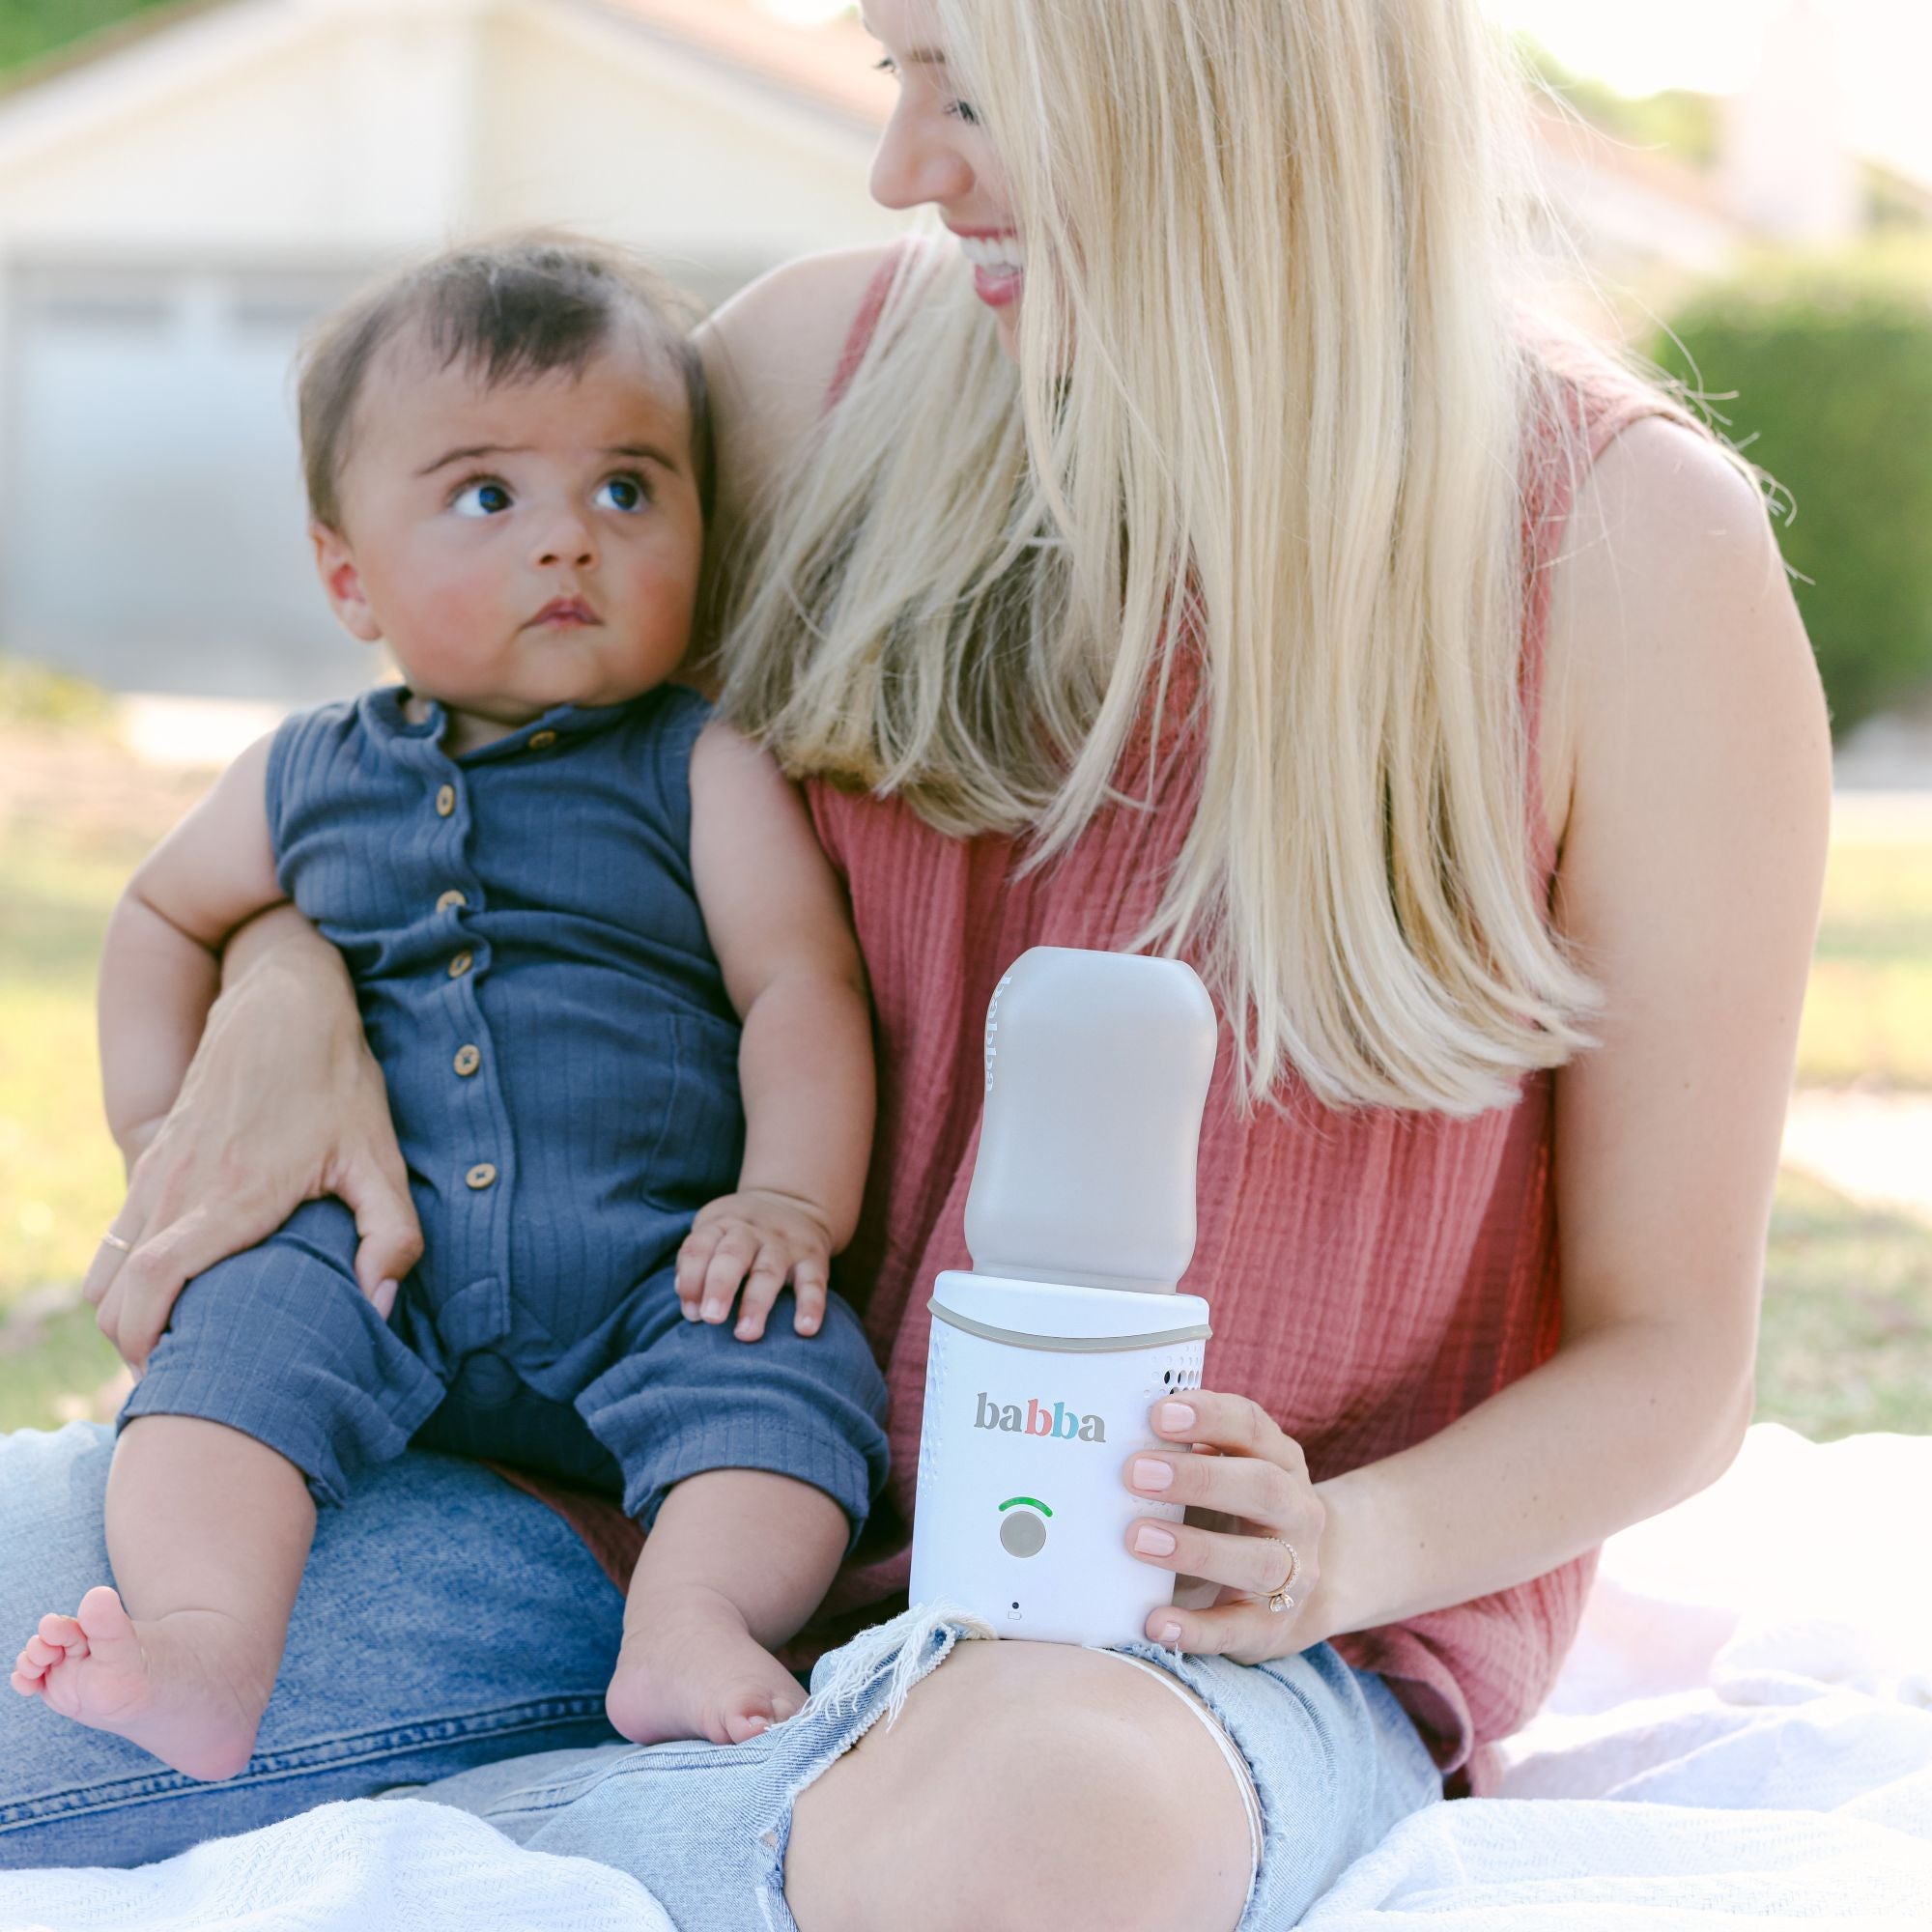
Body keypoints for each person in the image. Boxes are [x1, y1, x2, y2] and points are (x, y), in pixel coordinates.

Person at [0, 1, 1831, 1926]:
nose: (902, 168)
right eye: (896, 75)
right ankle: (675, 1832)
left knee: (1053, 1825)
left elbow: (1673, 1354)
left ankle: (520, 1830)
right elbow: (452, 771)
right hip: (603, 1497)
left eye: (968, 91)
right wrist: (285, 980)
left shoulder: (1623, 557)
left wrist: (1325, 1546)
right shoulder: (810, 382)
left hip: (1162, 1634)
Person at [8, 239, 890, 1779]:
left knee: (786, 1372)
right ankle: (207, 1652)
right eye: (490, 496)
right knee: (224, 1365)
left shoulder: (698, 763)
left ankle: (686, 1624)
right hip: (366, 1261)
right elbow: (157, 913)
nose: (570, 542)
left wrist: (786, 1200)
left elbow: (797, 988)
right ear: (347, 571)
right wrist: (169, 1148)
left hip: (642, 1265)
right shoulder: (303, 771)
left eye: (628, 488)